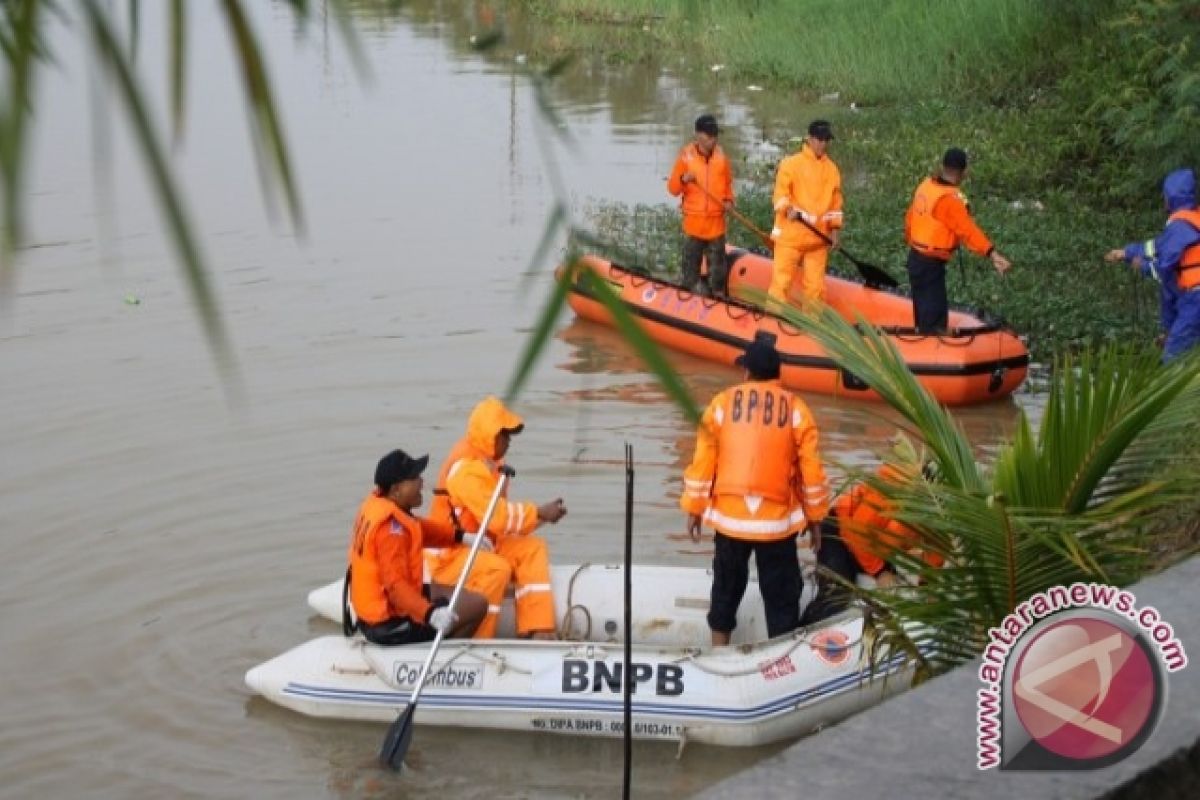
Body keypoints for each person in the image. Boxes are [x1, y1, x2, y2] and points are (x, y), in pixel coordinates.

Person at [680, 336, 831, 645]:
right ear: (777, 376)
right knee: (781, 597)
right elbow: (812, 473)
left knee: (725, 589)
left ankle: (719, 651)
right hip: (775, 526)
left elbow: (703, 462)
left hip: (731, 520)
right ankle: (781, 662)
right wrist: (816, 521)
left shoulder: (721, 404)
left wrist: (694, 508)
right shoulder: (797, 410)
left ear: (746, 373)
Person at [429, 396, 568, 640]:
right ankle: (480, 638)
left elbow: (500, 520)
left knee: (532, 548)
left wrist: (540, 518)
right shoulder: (466, 471)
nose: (510, 442)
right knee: (498, 569)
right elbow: (498, 518)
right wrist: (539, 513)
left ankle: (538, 629)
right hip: (452, 554)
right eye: (506, 436)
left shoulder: (489, 462)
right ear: (491, 436)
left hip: (481, 542)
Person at [346, 448, 505, 645]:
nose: (421, 482)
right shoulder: (389, 531)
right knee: (478, 606)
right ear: (396, 490)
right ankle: (444, 658)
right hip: (388, 621)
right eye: (414, 478)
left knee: (458, 595)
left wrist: (460, 536)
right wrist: (430, 614)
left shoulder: (383, 504)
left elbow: (420, 529)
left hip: (385, 605)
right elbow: (395, 587)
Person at [904, 147, 1012, 332]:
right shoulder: (950, 200)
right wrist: (992, 253)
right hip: (930, 265)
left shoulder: (926, 186)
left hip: (915, 259)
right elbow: (968, 231)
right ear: (964, 172)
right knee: (934, 322)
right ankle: (932, 354)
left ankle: (921, 346)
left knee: (922, 314)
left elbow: (909, 219)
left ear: (942, 166)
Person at [1104, 167, 1200, 362]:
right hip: (1192, 298)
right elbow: (1156, 247)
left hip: (1195, 299)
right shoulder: (1190, 221)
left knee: (1174, 359)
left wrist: (1144, 267)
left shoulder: (1179, 226)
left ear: (1171, 197)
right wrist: (1126, 253)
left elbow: (1165, 268)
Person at [767, 119, 843, 306]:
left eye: (826, 140)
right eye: (819, 139)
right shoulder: (791, 164)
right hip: (791, 237)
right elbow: (780, 196)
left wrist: (834, 231)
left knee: (815, 290)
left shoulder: (832, 170)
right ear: (809, 139)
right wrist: (788, 209)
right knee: (781, 284)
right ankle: (773, 321)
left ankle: (811, 329)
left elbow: (835, 204)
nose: (823, 144)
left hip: (818, 240)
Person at [667, 113, 735, 296]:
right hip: (694, 226)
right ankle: (691, 300)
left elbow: (728, 184)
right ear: (698, 135)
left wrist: (729, 201)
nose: (713, 139)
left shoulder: (722, 159)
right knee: (690, 277)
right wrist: (682, 179)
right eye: (709, 135)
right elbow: (672, 188)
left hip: (716, 227)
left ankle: (718, 302)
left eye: (715, 135)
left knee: (718, 279)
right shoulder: (685, 157)